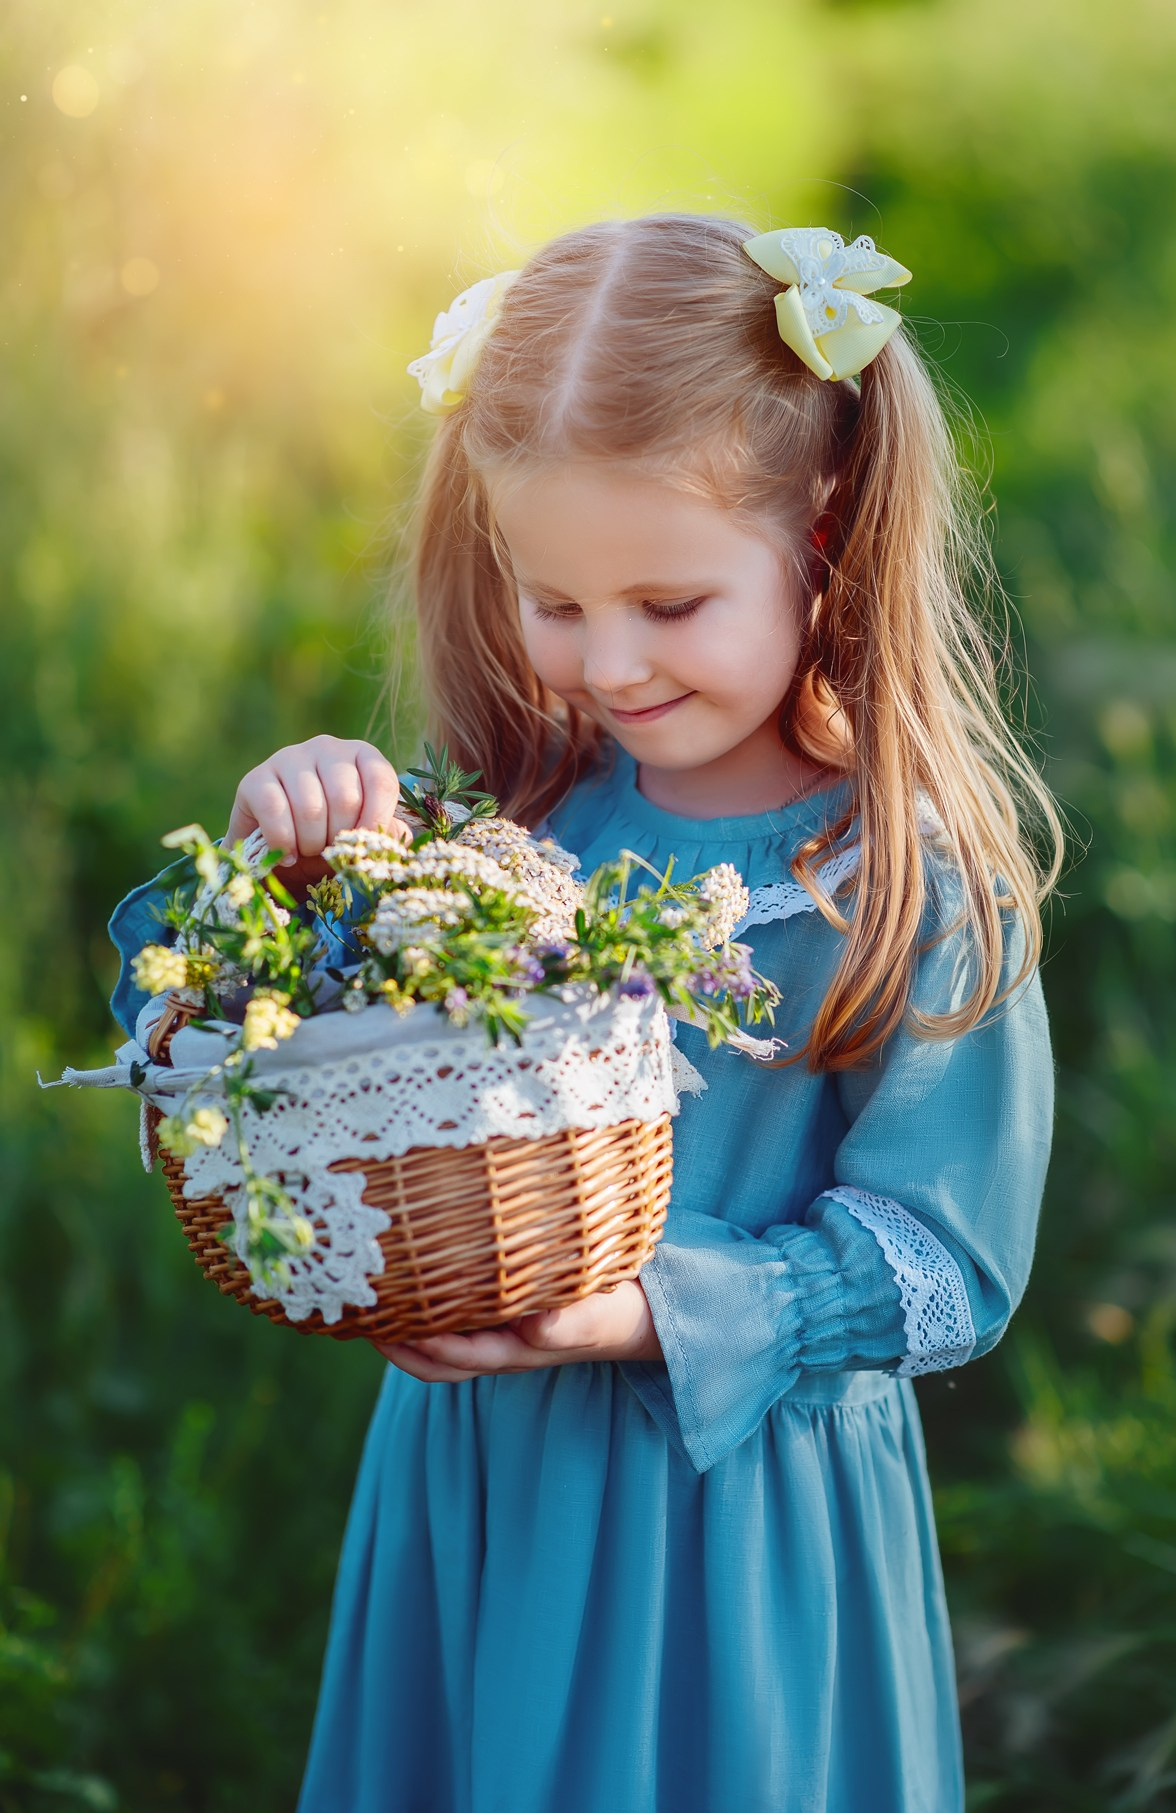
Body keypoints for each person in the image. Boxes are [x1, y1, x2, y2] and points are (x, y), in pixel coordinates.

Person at [106, 213, 1061, 1813]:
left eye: (670, 605)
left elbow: (948, 1268)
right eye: (553, 601)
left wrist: (642, 1315)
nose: (606, 660)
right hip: (482, 1469)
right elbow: (238, 1028)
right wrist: (283, 861)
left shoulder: (892, 877)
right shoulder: (497, 830)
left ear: (820, 536)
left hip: (738, 1509)